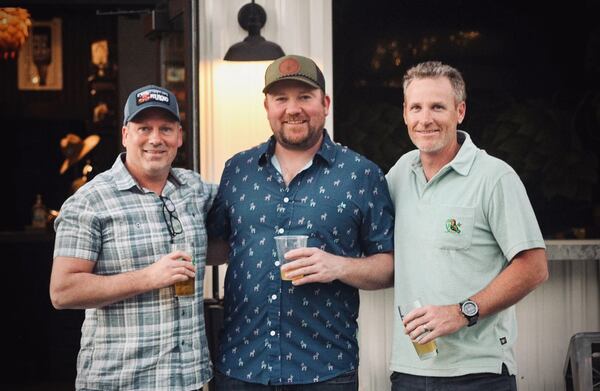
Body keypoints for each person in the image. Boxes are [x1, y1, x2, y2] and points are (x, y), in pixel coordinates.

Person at [208, 54, 395, 390]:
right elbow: (217, 247)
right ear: (266, 106)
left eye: (304, 97)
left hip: (325, 369)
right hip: (241, 366)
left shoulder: (361, 175)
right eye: (281, 98)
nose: (292, 109)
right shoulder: (237, 170)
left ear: (325, 103)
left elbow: (389, 265)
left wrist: (337, 266)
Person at [386, 61, 549, 390]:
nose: (425, 118)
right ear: (404, 113)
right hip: (410, 371)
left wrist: (462, 312)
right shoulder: (401, 173)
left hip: (479, 373)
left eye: (438, 107)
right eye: (416, 107)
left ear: (460, 111)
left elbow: (534, 267)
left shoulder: (495, 177)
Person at [50, 85, 216, 390]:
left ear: (179, 136)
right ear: (126, 135)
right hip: (120, 380)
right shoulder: (89, 201)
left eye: (165, 128)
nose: (155, 138)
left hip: (188, 380)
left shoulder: (193, 189)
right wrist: (149, 277)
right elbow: (62, 291)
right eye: (144, 128)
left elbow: (247, 208)